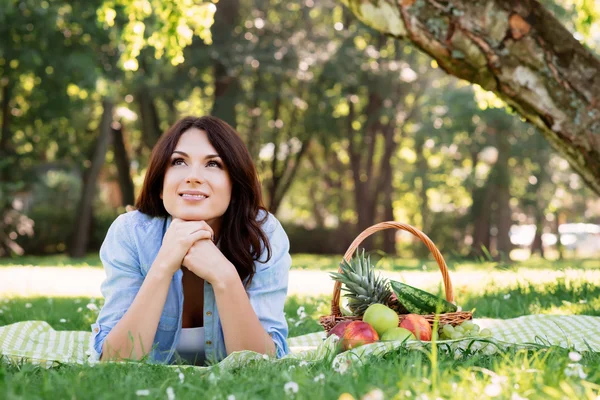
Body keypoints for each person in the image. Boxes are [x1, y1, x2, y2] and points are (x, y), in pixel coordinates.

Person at [91, 116, 291, 366]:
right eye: (178, 161)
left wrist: (224, 276)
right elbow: (113, 361)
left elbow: (263, 364)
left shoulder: (264, 235)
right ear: (161, 184)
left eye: (213, 164)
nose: (193, 176)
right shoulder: (131, 233)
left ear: (234, 184)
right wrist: (163, 266)